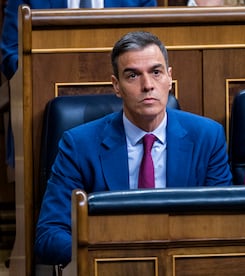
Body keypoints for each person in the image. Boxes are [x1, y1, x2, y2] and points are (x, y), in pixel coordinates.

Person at [34, 31, 233, 266]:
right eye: (133, 76)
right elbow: (49, 235)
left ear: (169, 79)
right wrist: (109, 258)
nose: (147, 85)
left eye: (156, 72)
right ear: (116, 86)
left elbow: (223, 225)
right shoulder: (79, 145)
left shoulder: (207, 137)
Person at [0, 0, 157, 80]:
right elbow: (11, 52)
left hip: (122, 92)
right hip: (47, 99)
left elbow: (151, 49)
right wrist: (43, 79)